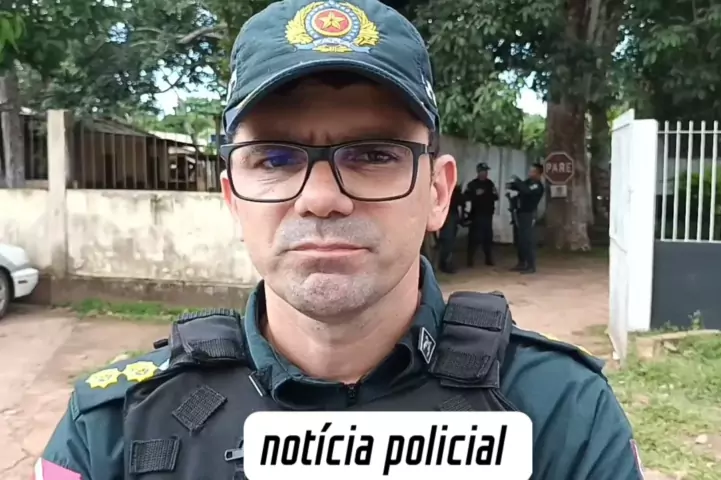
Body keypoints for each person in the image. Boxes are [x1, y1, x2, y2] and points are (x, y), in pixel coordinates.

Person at [38, 1, 644, 479]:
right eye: (274, 159)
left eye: (374, 155)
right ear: (232, 198)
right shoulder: (113, 429)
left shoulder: (561, 412)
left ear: (438, 193)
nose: (322, 198)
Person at [509, 163, 546, 273]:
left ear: (538, 174)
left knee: (527, 240)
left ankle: (531, 265)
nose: (530, 173)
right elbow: (519, 187)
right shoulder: (528, 182)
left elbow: (526, 190)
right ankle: (521, 262)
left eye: (533, 171)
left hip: (529, 214)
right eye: (530, 171)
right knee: (520, 240)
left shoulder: (537, 185)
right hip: (520, 213)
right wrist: (512, 185)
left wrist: (517, 181)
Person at [463, 162, 498, 267]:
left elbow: (496, 197)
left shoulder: (489, 184)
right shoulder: (472, 184)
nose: (485, 173)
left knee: (488, 238)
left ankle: (488, 259)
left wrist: (489, 195)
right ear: (478, 172)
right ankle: (470, 260)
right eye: (483, 171)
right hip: (476, 215)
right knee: (474, 238)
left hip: (487, 215)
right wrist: (475, 194)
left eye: (486, 171)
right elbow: (465, 197)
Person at [437, 183, 464, 273]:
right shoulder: (449, 192)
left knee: (447, 242)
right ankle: (444, 264)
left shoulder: (448, 191)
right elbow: (460, 201)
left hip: (449, 218)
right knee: (447, 243)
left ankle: (444, 263)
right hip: (448, 218)